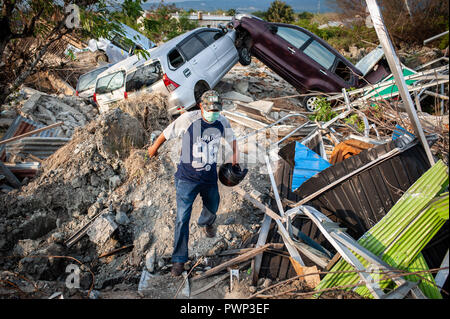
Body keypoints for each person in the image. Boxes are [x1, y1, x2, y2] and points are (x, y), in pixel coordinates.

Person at [148, 90, 239, 276]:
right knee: (182, 218)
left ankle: (207, 222)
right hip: (186, 179)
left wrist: (235, 159)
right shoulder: (188, 120)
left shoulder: (222, 122)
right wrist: (153, 149)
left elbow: (233, 139)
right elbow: (166, 133)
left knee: (213, 204)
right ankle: (179, 260)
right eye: (210, 109)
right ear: (201, 106)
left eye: (216, 110)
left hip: (209, 178)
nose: (213, 113)